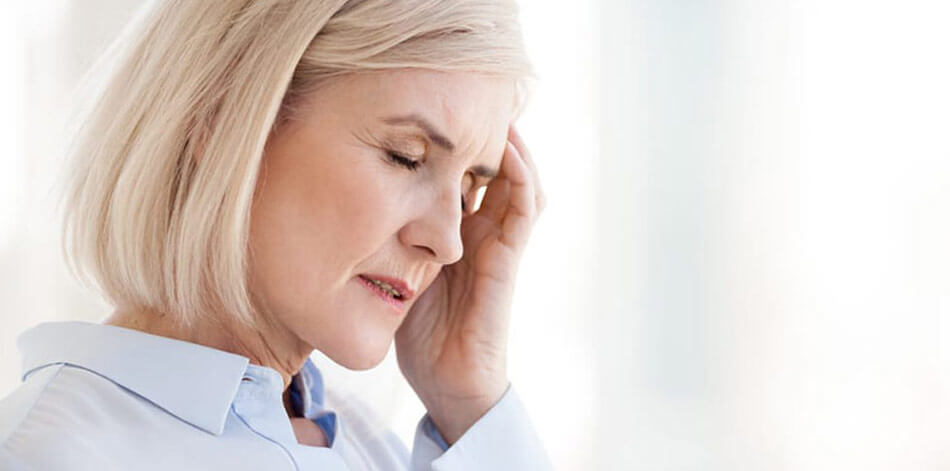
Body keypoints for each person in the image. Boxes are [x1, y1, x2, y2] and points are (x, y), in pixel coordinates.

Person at [0, 0, 551, 469]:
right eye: (406, 157)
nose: (450, 242)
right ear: (222, 120)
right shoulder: (53, 453)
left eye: (467, 191)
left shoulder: (361, 443)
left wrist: (469, 397)